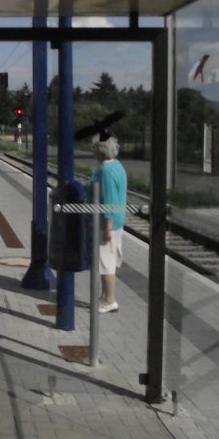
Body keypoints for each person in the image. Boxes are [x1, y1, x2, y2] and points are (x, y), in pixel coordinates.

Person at [87, 132, 127, 313]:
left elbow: (109, 199)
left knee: (106, 262)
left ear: (100, 151)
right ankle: (104, 296)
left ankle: (109, 299)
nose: (93, 153)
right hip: (118, 220)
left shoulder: (105, 171)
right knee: (109, 259)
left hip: (107, 223)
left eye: (94, 149)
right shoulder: (117, 166)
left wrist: (107, 227)